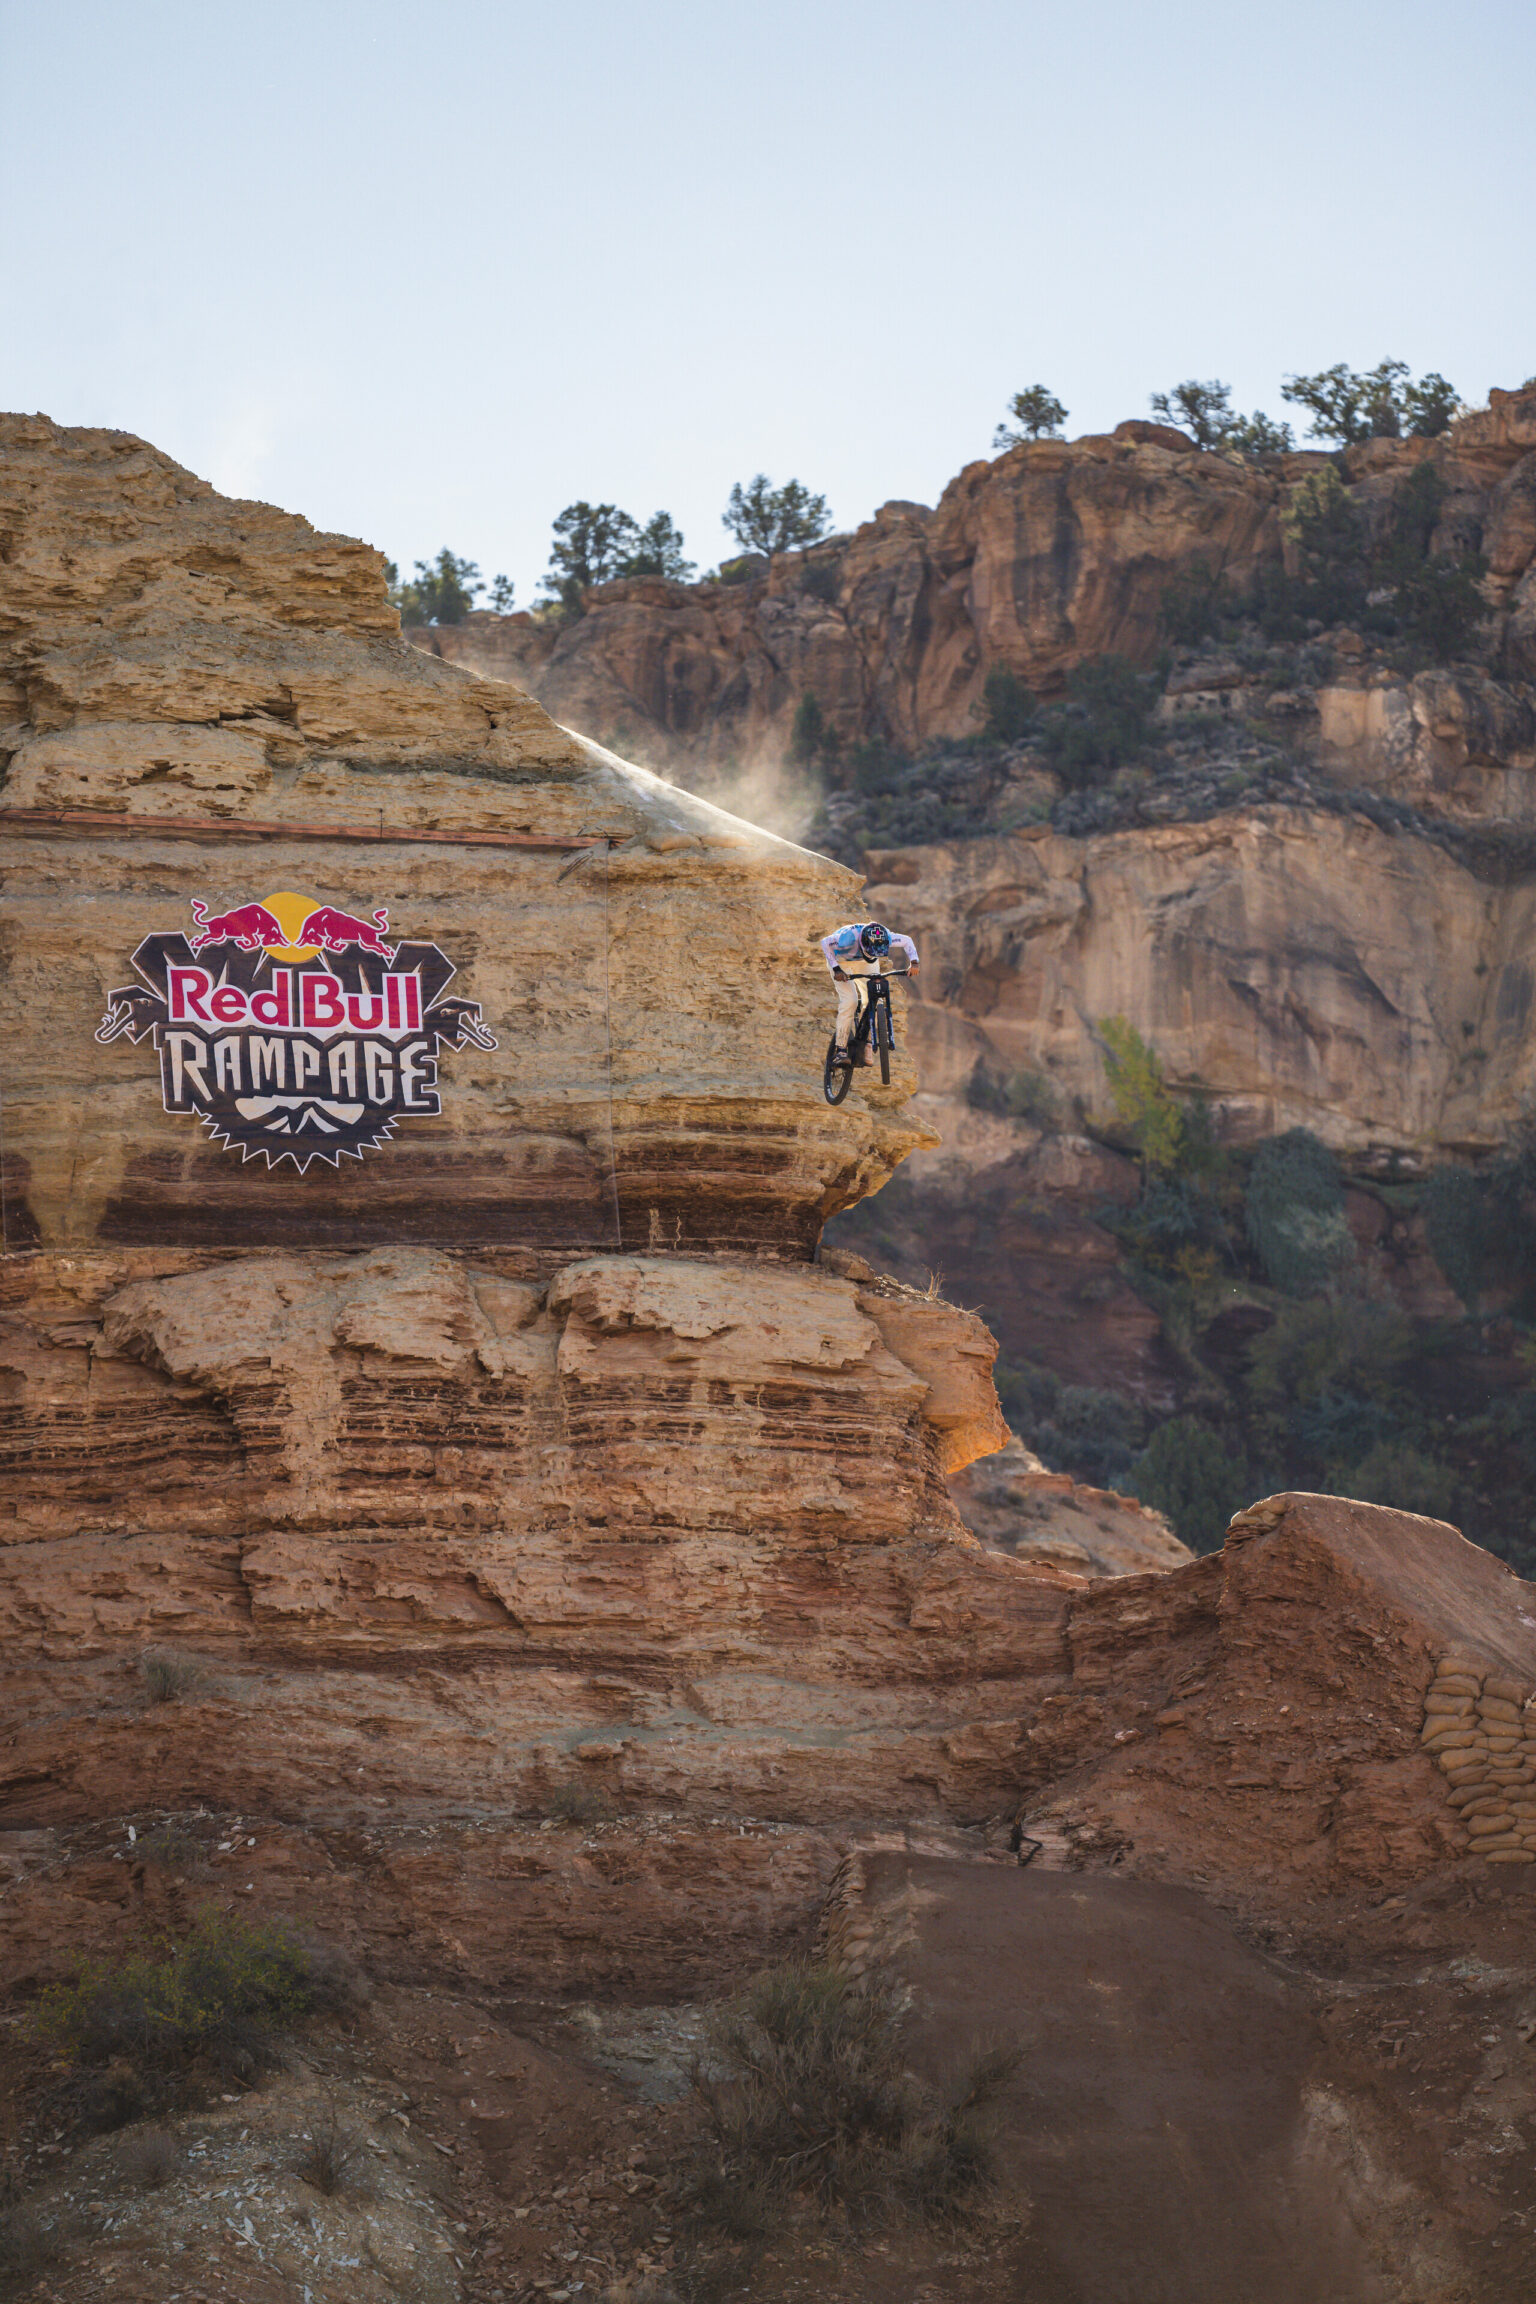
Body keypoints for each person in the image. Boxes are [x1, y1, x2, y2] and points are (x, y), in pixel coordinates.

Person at [819, 920, 920, 1068]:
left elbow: (907, 941)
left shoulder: (884, 936)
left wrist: (914, 962)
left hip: (866, 961)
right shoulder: (847, 939)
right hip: (841, 962)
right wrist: (836, 969)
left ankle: (867, 1043)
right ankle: (840, 1050)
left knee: (875, 997)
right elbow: (824, 942)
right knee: (850, 1001)